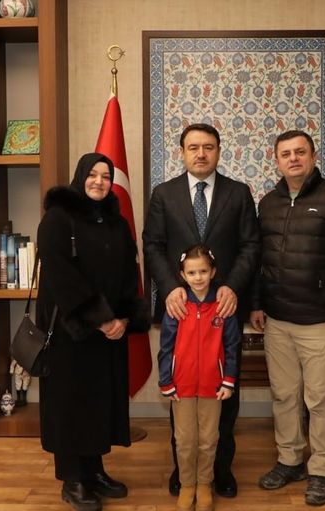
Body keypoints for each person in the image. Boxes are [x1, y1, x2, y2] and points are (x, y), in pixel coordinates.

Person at [250, 130, 325, 507]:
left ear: (313, 157)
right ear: (276, 161)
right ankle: (290, 461)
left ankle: (321, 470)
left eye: (300, 152)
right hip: (277, 320)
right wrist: (257, 304)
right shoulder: (268, 203)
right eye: (285, 154)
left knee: (319, 399)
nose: (293, 159)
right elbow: (259, 261)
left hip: (321, 322)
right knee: (284, 395)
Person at [143, 123, 260, 498]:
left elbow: (250, 246)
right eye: (193, 147)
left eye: (208, 147)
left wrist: (232, 285)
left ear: (219, 151)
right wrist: (171, 287)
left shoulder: (239, 193)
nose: (200, 153)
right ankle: (184, 472)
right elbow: (153, 245)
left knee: (223, 394)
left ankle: (219, 471)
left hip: (223, 307)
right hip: (180, 308)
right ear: (181, 152)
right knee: (181, 396)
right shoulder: (163, 194)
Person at [36, 152, 150, 511]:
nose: (99, 181)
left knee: (99, 401)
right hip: (70, 332)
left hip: (110, 332)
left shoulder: (116, 221)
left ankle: (94, 470)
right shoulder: (58, 218)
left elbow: (129, 272)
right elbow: (60, 275)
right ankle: (72, 479)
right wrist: (98, 318)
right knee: (71, 403)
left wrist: (123, 319)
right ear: (80, 176)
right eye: (93, 175)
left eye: (106, 176)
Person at [158, 244, 240, 511]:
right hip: (181, 386)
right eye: (192, 272)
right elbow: (166, 347)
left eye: (203, 271)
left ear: (213, 272)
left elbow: (232, 345)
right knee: (184, 441)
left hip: (212, 387)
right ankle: (187, 485)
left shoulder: (223, 306)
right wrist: (166, 381)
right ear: (182, 275)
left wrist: (228, 379)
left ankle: (204, 484)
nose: (198, 277)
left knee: (208, 439)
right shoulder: (177, 306)